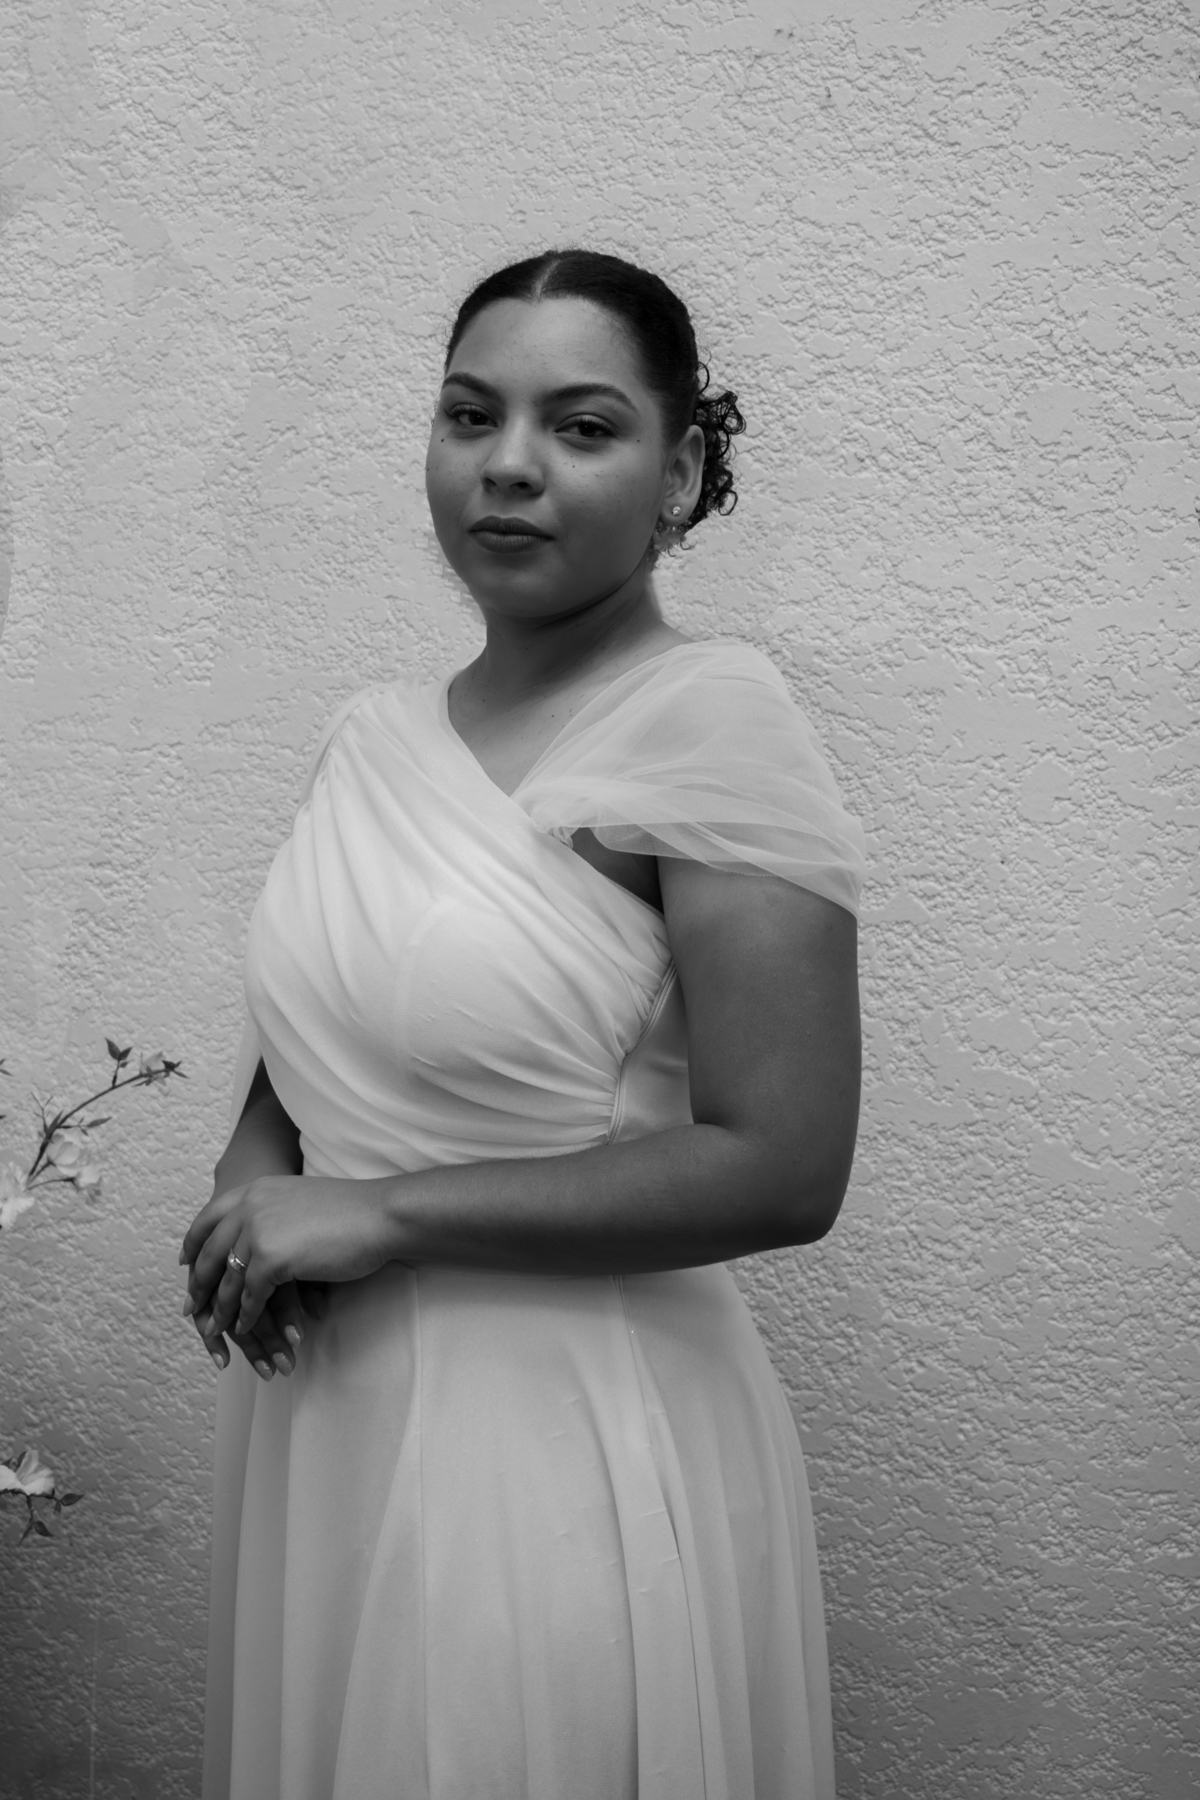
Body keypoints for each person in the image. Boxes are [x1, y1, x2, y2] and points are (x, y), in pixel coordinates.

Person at [182, 248, 866, 1800]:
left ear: (679, 471)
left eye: (581, 425)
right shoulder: (371, 736)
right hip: (329, 1413)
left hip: (564, 1434)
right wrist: (251, 1182)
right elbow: (330, 1024)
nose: (507, 463)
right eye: (470, 414)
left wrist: (378, 1214)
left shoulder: (713, 724)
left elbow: (783, 1167)